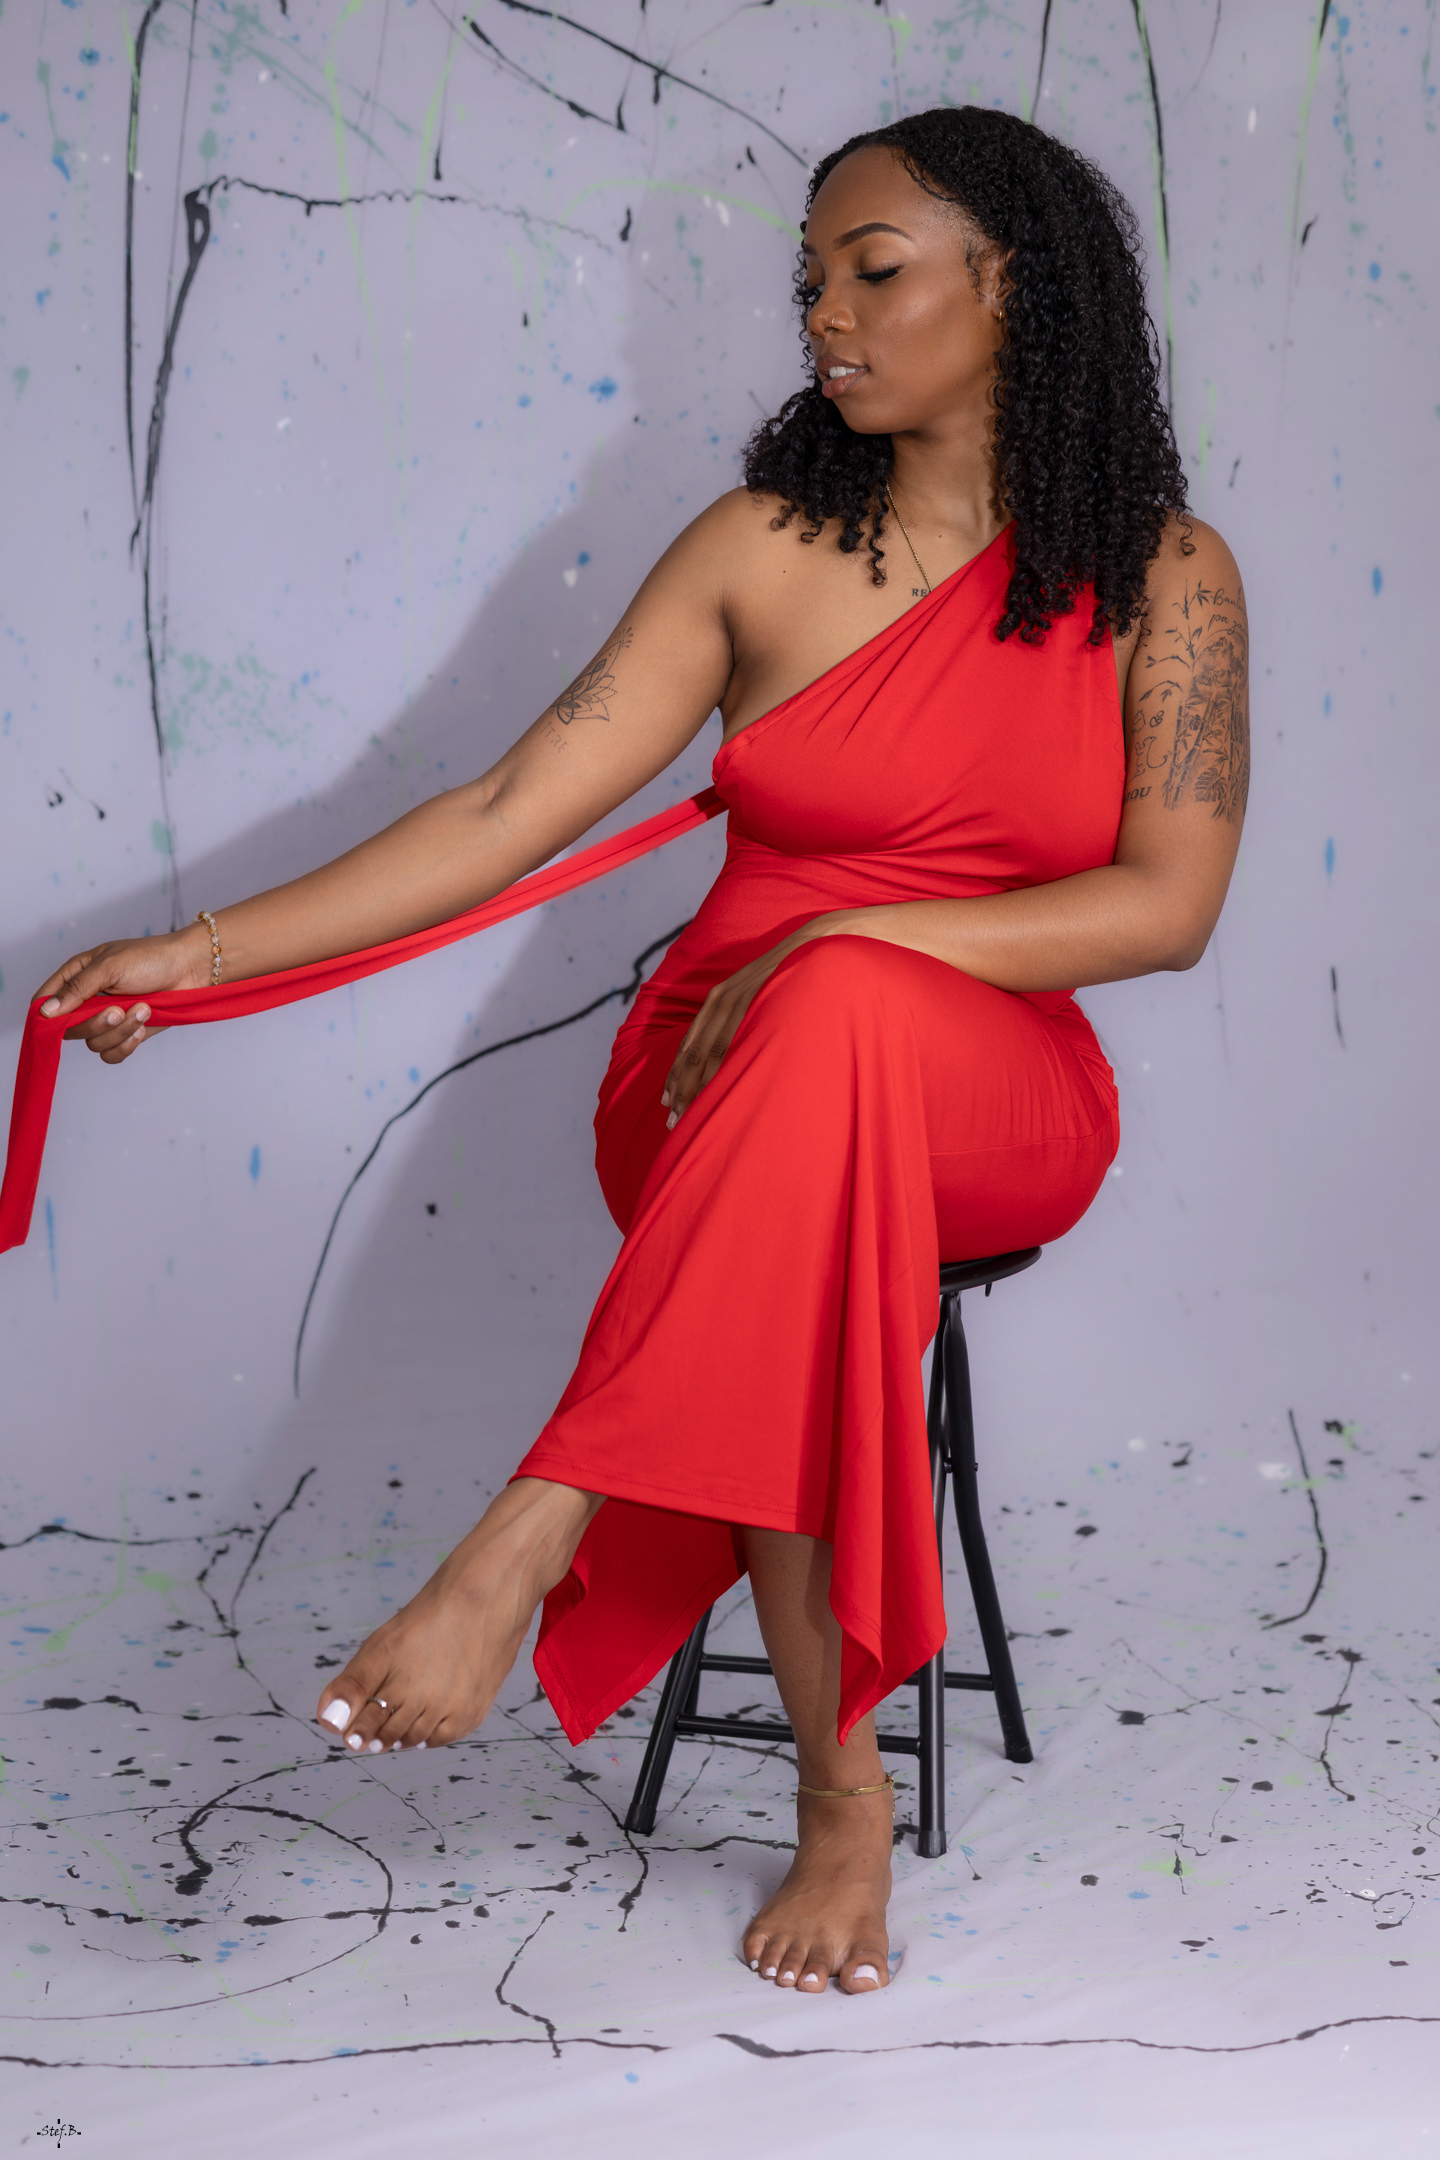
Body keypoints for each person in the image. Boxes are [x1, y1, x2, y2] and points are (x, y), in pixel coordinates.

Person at [34, 108, 1248, 1998]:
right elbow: (502, 808)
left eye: (875, 272)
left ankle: (535, 1526)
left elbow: (1165, 905)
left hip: (996, 1086)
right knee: (812, 1164)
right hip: (708, 1076)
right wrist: (193, 954)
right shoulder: (762, 547)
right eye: (811, 281)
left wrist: (852, 940)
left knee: (838, 1017)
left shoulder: (1167, 576)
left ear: (1016, 287)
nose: (826, 315)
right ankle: (837, 1802)